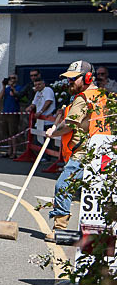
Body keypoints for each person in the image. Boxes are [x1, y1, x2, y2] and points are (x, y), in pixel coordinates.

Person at [46, 60, 112, 239]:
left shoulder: (82, 99)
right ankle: (101, 232)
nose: (70, 82)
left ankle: (59, 229)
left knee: (63, 186)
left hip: (84, 153)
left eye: (73, 79)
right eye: (68, 79)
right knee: (97, 192)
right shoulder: (102, 96)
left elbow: (69, 124)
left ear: (88, 78)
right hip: (103, 152)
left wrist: (53, 132)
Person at [0, 73, 22, 158]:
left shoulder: (18, 88)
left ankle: (14, 152)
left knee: (13, 133)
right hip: (6, 112)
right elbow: (0, 97)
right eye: (10, 78)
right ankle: (9, 150)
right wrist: (4, 86)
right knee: (7, 133)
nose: (11, 80)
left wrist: (12, 87)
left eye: (13, 78)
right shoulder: (7, 89)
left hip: (13, 112)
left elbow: (16, 95)